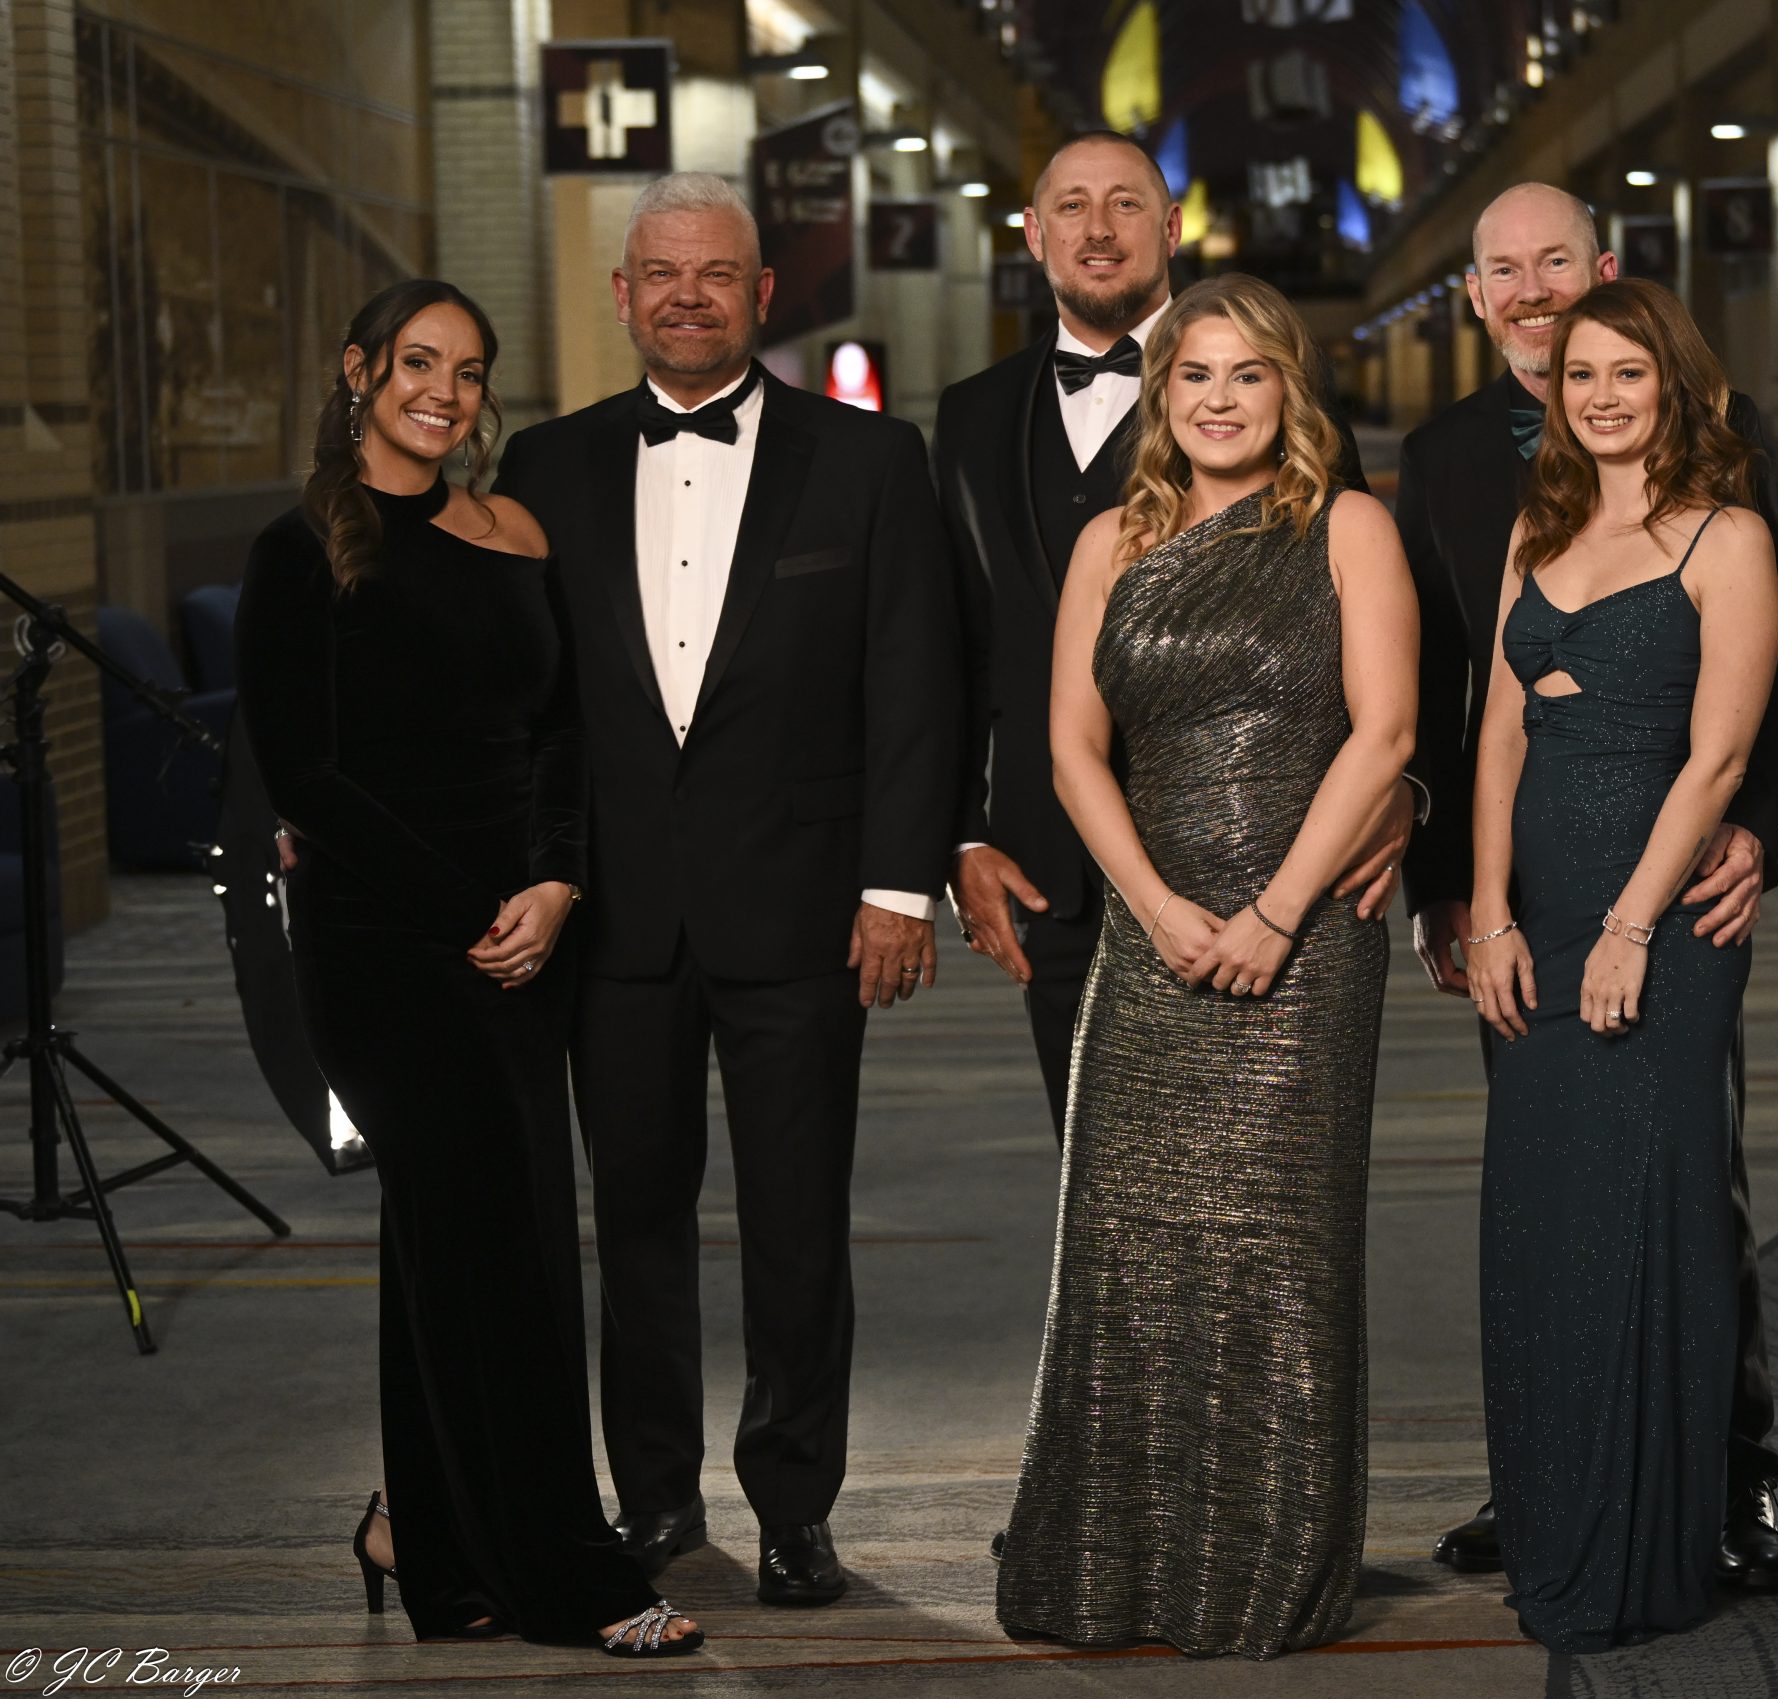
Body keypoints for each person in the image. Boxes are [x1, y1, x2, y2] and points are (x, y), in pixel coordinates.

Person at [493, 173, 962, 1609]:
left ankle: (796, 1507)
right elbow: (519, 699)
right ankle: (653, 1495)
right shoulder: (544, 464)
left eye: (716, 275)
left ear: (763, 295)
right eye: (662, 274)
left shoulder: (870, 458)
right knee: (633, 1221)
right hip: (615, 917)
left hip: (808, 908)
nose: (687, 297)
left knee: (798, 1224)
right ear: (623, 295)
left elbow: (916, 683)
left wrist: (899, 888)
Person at [238, 280, 700, 1657]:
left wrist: (553, 884)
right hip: (386, 952)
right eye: (418, 362)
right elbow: (306, 777)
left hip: (524, 936)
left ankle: (426, 1538)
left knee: (468, 1246)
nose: (444, 390)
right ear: (359, 370)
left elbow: (560, 731)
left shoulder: (512, 532)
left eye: (470, 369)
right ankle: (572, 1573)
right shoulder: (298, 550)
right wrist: (473, 911)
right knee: (497, 1257)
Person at [994, 273, 1418, 1657]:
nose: (1221, 399)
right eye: (1195, 375)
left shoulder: (1348, 525)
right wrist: (1159, 909)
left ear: (1289, 390)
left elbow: (1386, 730)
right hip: (1151, 937)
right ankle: (1118, 1569)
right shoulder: (1108, 541)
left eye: (1249, 374)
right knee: (1126, 1242)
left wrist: (1277, 911)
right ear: (1161, 393)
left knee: (1276, 1251)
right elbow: (1071, 748)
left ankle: (1259, 1564)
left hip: (1305, 947)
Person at [1397, 181, 1778, 1590]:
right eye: (1502, 270)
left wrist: (1748, 833)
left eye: (1552, 262)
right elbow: (1461, 700)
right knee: (1540, 1204)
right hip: (1525, 894)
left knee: (1683, 1189)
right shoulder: (1452, 462)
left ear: (1602, 269)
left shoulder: (1732, 486)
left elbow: (1749, 701)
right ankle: (1550, 1480)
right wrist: (1468, 897)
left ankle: (1722, 1483)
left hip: (1668, 884)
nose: (1530, 288)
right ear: (1476, 296)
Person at [935, 131, 1395, 1141]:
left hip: (1265, 858)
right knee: (1100, 1179)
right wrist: (961, 834)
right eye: (1071, 206)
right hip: (1049, 866)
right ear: (1033, 233)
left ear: (1173, 226)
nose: (1098, 230)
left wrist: (1403, 791)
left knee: (1271, 1181)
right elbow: (949, 645)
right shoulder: (970, 416)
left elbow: (1373, 627)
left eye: (1126, 204)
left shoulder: (1282, 401)